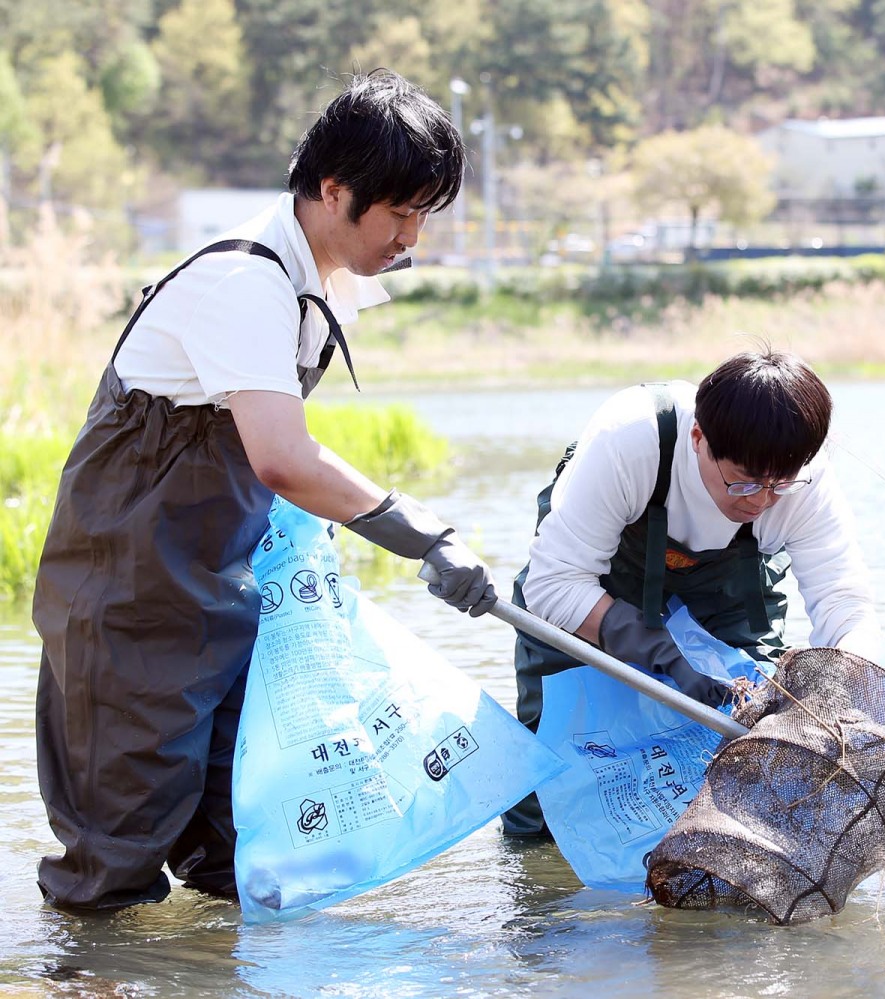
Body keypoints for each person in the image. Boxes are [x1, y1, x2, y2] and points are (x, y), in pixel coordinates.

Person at [30, 70, 499, 912]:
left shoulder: (312, 278)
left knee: (244, 845)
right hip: (129, 595)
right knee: (115, 859)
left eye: (426, 214)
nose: (413, 236)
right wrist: (420, 534)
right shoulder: (245, 279)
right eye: (400, 211)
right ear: (333, 187)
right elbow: (282, 458)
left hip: (216, 591)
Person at [504, 345, 883, 836]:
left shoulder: (803, 479)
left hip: (725, 607)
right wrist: (659, 652)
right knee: (554, 788)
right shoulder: (632, 439)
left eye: (780, 487)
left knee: (747, 762)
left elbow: (843, 603)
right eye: (745, 485)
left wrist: (845, 691)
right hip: (592, 600)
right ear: (699, 438)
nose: (763, 502)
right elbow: (554, 585)